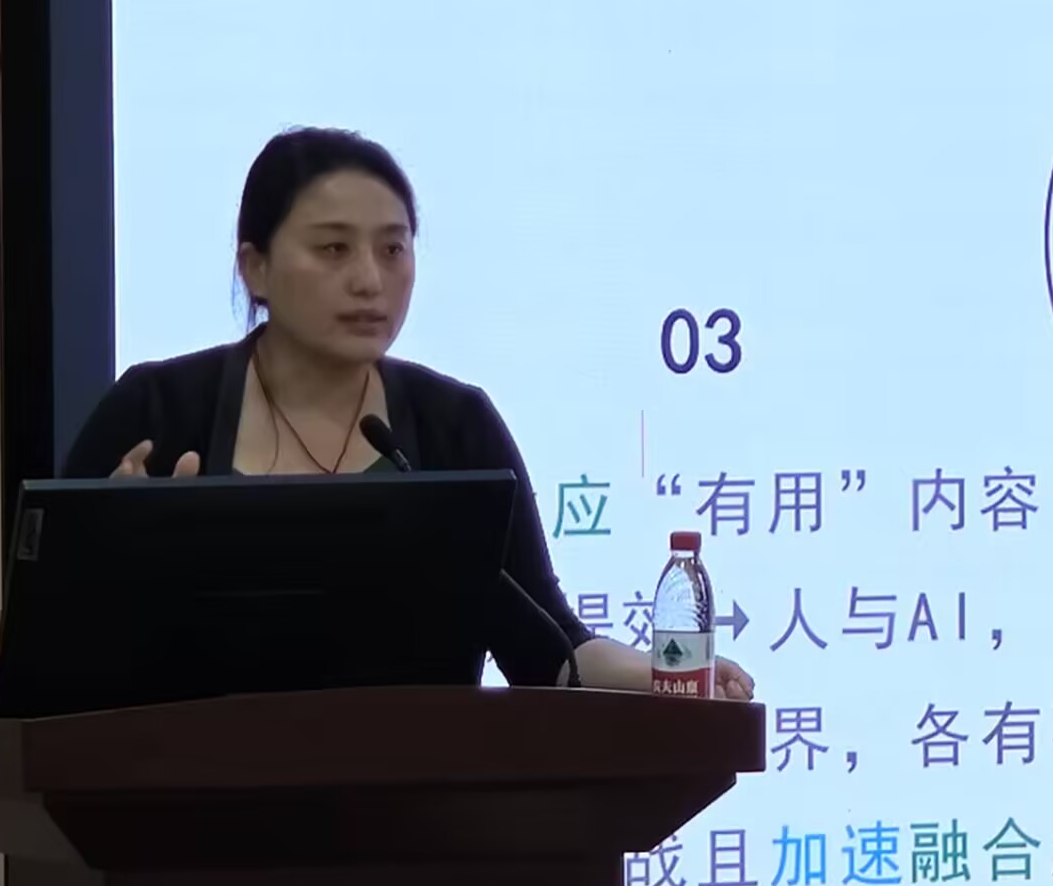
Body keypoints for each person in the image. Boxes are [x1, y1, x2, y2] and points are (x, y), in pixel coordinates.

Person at [64, 126, 755, 701]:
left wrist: (666, 674)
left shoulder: (455, 425)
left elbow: (548, 648)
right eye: (333, 249)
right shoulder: (156, 413)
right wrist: (107, 560)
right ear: (256, 267)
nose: (370, 279)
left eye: (393, 248)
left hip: (420, 811)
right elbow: (55, 660)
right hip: (188, 806)